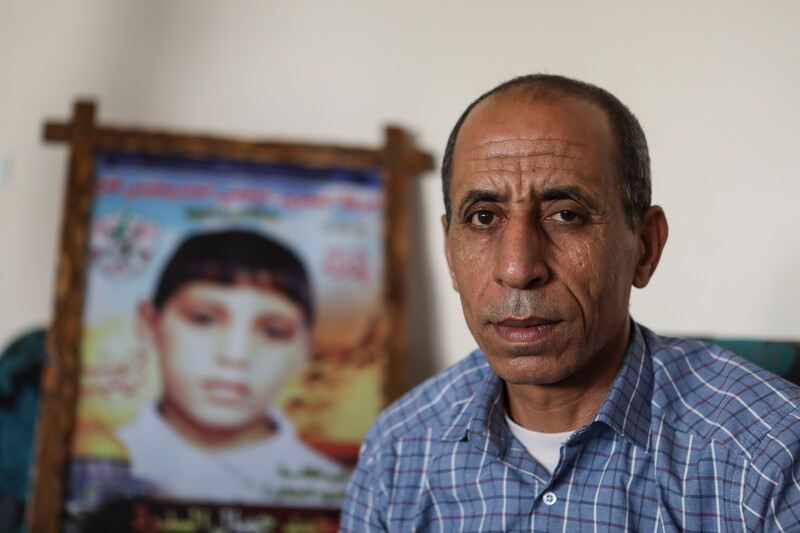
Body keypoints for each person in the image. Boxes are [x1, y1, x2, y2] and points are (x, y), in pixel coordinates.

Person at [340, 75, 800, 531]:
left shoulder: (769, 458)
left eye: (565, 214)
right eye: (483, 218)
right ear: (449, 253)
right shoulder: (398, 454)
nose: (518, 268)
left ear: (644, 247)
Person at [117, 229, 349, 508]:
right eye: (204, 319)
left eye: (273, 332)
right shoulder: (94, 469)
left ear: (304, 350)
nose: (236, 356)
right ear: (149, 323)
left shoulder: (339, 496)